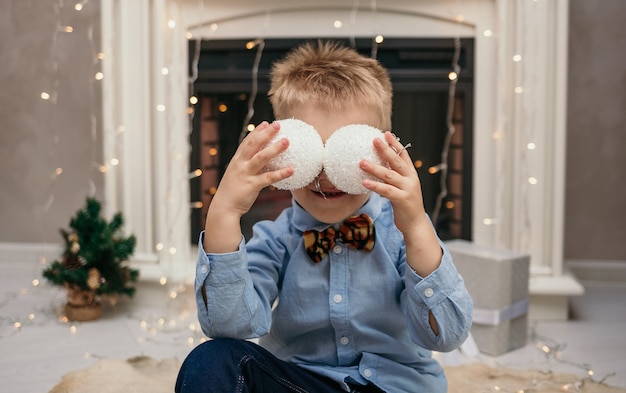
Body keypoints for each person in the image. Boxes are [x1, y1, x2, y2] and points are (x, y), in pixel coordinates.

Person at [176, 41, 473, 393]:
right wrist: (224, 212)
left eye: (346, 154)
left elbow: (447, 336)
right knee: (212, 359)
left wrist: (416, 224)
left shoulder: (402, 236)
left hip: (393, 386)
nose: (328, 176)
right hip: (299, 382)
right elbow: (230, 327)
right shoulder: (275, 238)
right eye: (313, 152)